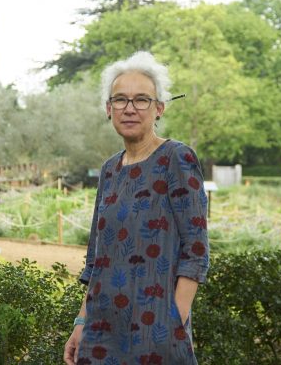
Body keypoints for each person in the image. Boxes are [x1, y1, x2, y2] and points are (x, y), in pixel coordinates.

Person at [64, 52, 210, 365]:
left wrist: (174, 323)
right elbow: (96, 259)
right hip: (100, 334)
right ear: (108, 109)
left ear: (159, 108)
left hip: (156, 333)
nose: (130, 108)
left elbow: (196, 252)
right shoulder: (109, 170)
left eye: (142, 99)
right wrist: (80, 322)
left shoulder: (177, 159)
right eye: (120, 100)